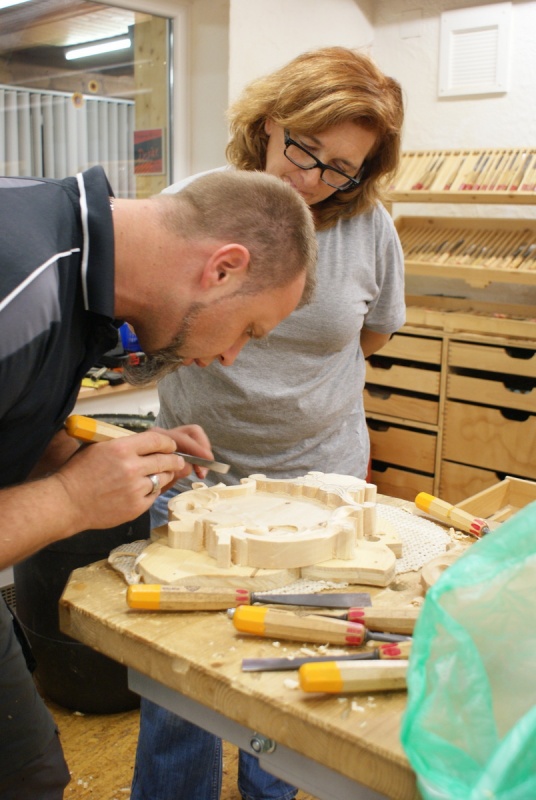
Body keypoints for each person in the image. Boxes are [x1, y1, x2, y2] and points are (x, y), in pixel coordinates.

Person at [131, 46, 406, 800]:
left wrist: (298, 384)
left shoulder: (369, 227)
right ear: (267, 124)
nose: (311, 180)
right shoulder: (196, 204)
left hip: (322, 478)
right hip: (195, 478)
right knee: (180, 677)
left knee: (288, 675)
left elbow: (373, 333)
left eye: (340, 169)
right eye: (304, 149)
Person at [0, 165, 317, 799]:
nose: (230, 357)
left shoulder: (79, 268)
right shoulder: (18, 287)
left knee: (30, 775)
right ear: (223, 268)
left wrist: (89, 452)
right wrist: (71, 499)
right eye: (248, 331)